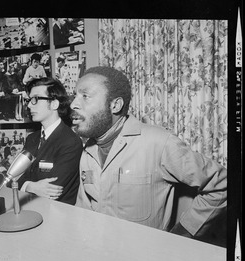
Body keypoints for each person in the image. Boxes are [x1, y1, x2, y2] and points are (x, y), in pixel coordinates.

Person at [69, 66, 227, 243]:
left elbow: (222, 185)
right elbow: (84, 211)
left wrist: (184, 233)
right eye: (75, 95)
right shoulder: (88, 149)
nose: (73, 104)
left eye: (85, 96)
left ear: (115, 105)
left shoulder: (159, 142)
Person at [16, 77, 83, 205]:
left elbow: (52, 190)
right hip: (30, 208)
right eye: (29, 100)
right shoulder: (32, 139)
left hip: (57, 216)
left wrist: (23, 182)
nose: (29, 105)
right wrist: (31, 186)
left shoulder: (71, 142)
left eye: (35, 99)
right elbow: (10, 179)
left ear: (54, 104)